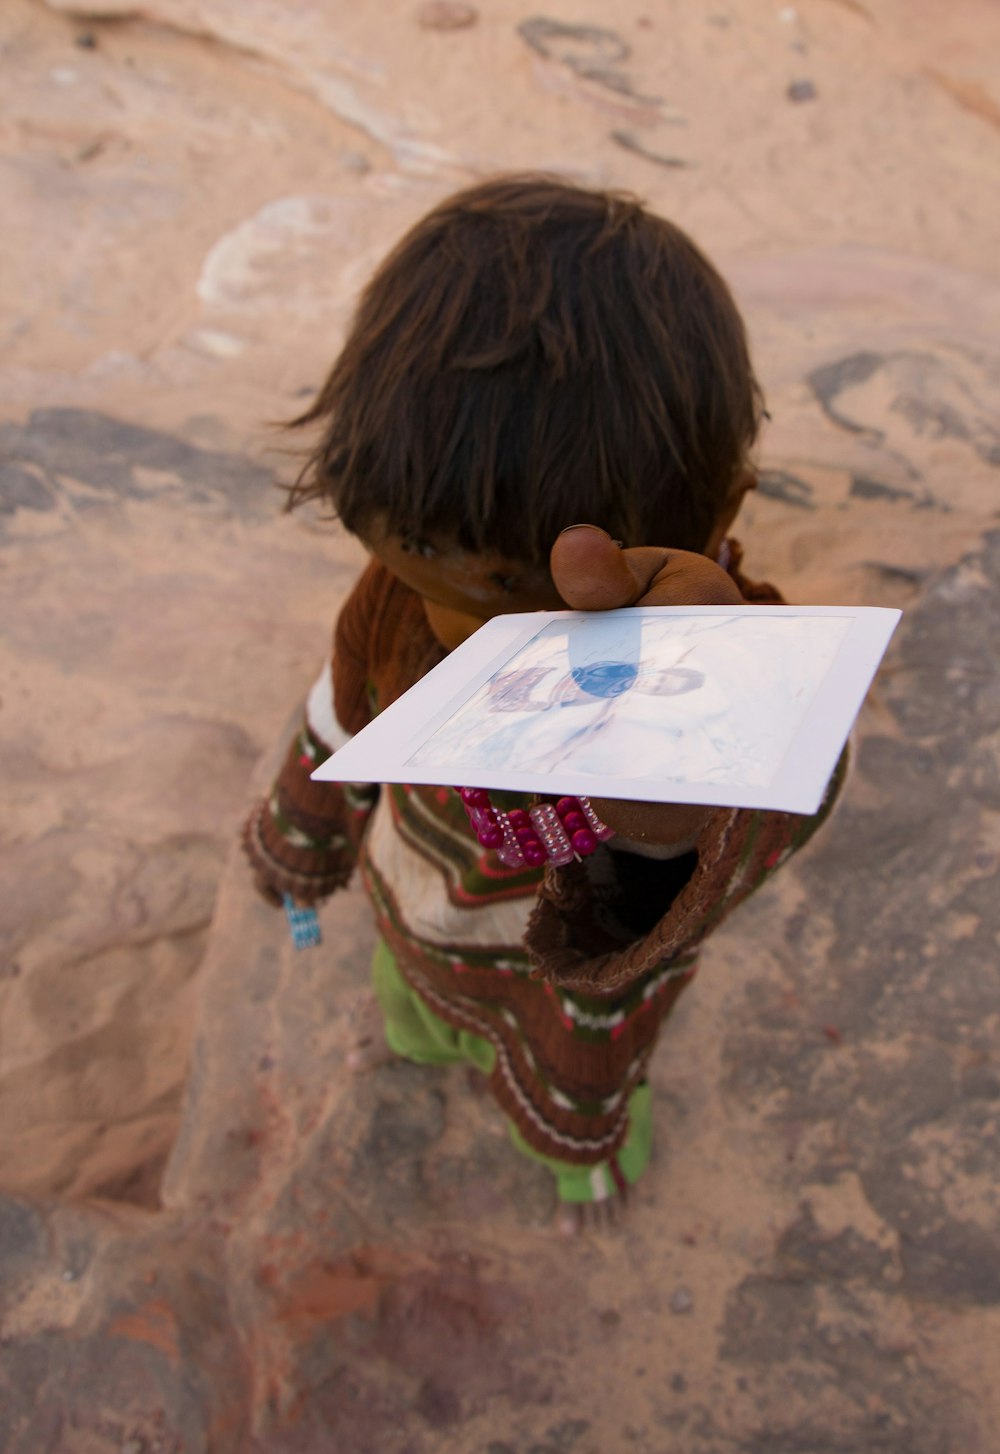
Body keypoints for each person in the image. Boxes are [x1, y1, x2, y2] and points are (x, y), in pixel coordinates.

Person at [243, 175, 843, 1234]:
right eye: (422, 552)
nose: (467, 625)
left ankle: (579, 1161)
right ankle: (431, 1037)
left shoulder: (703, 670)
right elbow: (336, 722)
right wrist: (303, 844)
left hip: (573, 983)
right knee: (414, 1008)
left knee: (575, 1083)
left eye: (521, 591)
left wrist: (679, 775)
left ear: (709, 523)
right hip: (421, 903)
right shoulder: (389, 606)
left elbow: (769, 816)